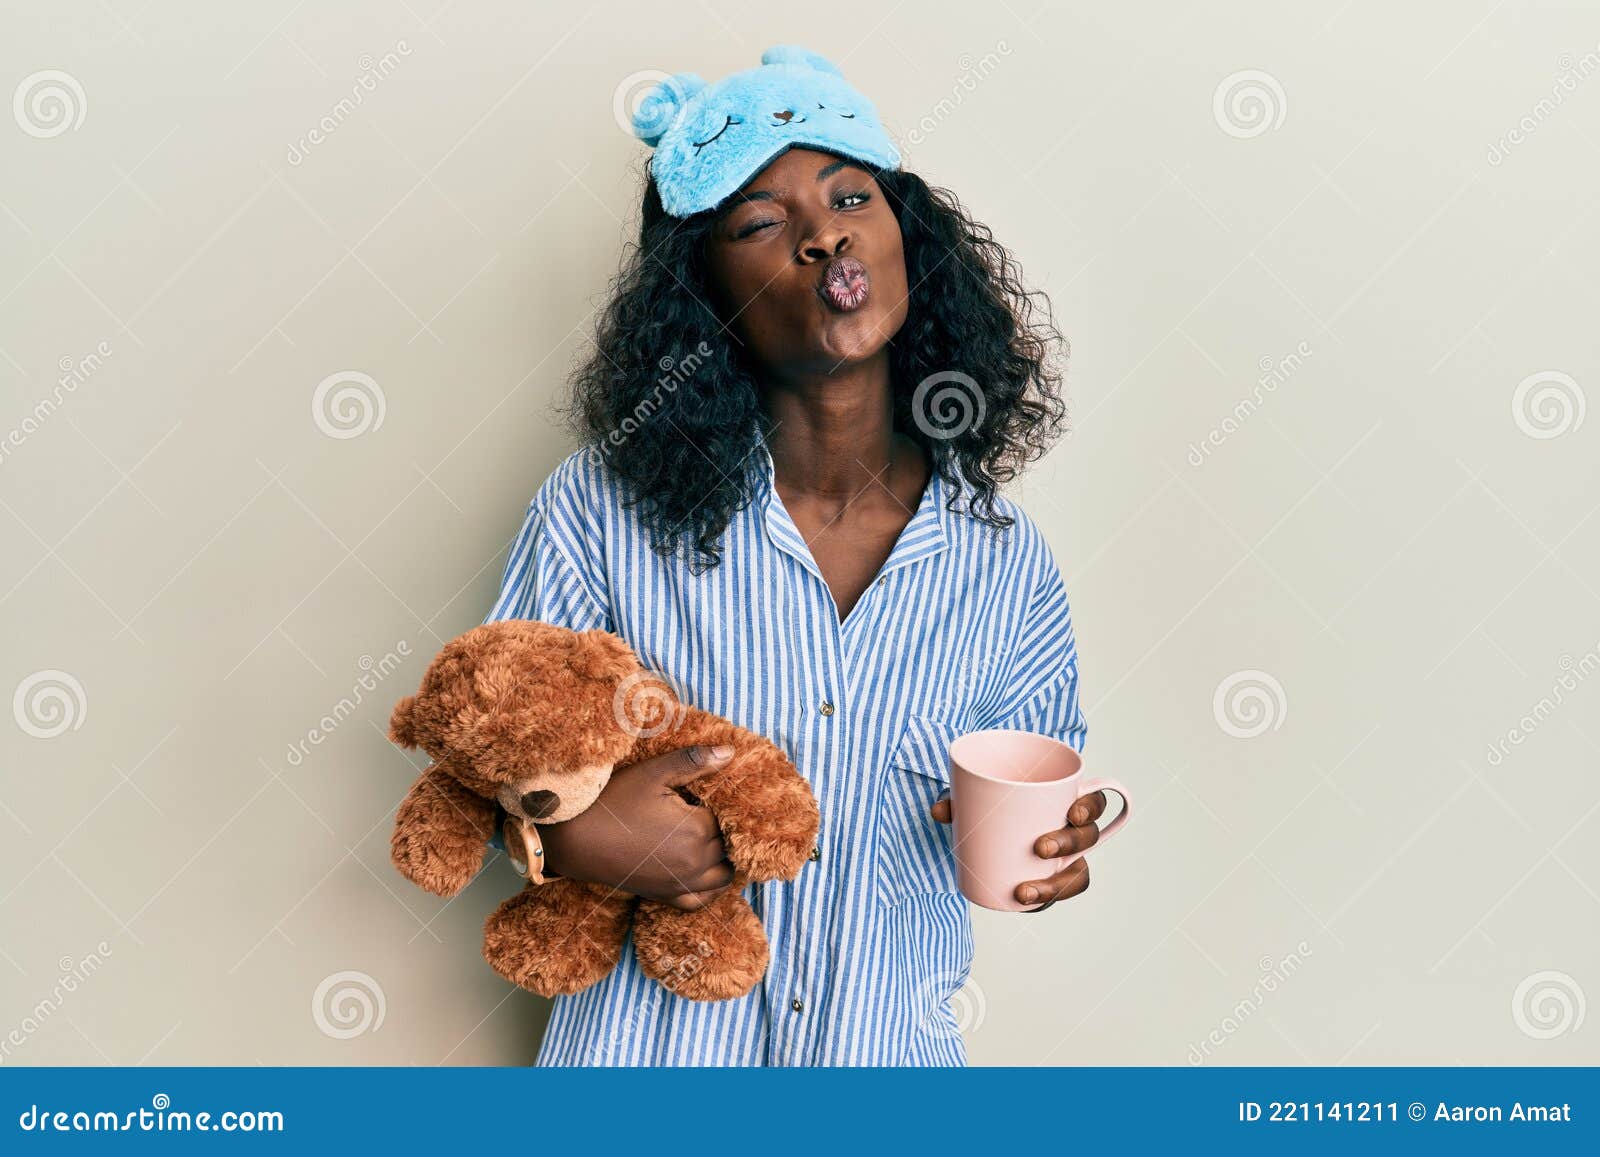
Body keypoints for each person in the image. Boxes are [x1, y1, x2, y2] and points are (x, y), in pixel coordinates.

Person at [482, 45, 1109, 1066]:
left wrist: (1052, 849)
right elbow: (490, 751)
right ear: (702, 291)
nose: (824, 234)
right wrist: (568, 838)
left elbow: (1027, 795)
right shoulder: (597, 510)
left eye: (849, 195)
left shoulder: (1004, 564)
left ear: (909, 236)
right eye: (762, 223)